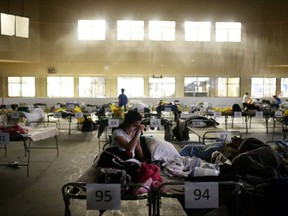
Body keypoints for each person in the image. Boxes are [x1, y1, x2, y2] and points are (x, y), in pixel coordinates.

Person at [111, 110, 164, 195]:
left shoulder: (134, 132)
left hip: (131, 160)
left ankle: (148, 185)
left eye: (138, 125)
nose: (136, 127)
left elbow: (138, 148)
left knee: (152, 169)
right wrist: (138, 132)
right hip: (120, 161)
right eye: (134, 125)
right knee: (145, 173)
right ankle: (142, 186)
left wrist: (143, 159)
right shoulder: (117, 133)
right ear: (128, 122)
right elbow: (129, 148)